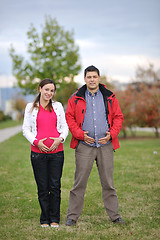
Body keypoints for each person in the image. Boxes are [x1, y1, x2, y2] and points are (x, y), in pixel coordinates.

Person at [65, 65, 125, 226]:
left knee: (108, 183)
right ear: (84, 79)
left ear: (99, 78)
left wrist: (111, 135)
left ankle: (115, 216)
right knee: (79, 183)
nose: (92, 79)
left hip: (105, 145)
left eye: (94, 77)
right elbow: (69, 117)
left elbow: (119, 117)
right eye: (89, 77)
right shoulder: (76, 97)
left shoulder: (110, 96)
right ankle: (72, 216)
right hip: (84, 145)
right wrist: (79, 134)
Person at [22, 78, 68, 228]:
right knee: (42, 187)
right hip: (37, 154)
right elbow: (26, 130)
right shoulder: (30, 107)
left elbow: (64, 127)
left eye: (52, 90)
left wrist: (59, 139)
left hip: (57, 153)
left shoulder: (58, 106)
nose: (49, 93)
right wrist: (37, 142)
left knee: (55, 186)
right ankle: (44, 218)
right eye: (46, 89)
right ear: (40, 89)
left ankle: (54, 218)